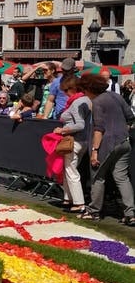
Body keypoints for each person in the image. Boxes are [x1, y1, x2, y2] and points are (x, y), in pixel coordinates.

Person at [78, 72, 135, 224]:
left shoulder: (97, 102)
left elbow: (99, 129)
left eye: (84, 90)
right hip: (124, 141)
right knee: (122, 178)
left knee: (97, 176)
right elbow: (130, 116)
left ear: (89, 88)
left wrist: (94, 151)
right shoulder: (116, 96)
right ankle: (130, 213)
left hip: (106, 144)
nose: (84, 94)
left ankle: (94, 211)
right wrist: (123, 130)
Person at [53, 75, 91, 213]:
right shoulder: (86, 99)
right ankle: (68, 198)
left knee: (71, 171)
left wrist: (62, 130)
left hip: (74, 140)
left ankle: (79, 203)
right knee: (69, 169)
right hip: (83, 140)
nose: (64, 93)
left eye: (66, 90)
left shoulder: (76, 102)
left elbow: (79, 124)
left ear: (73, 88)